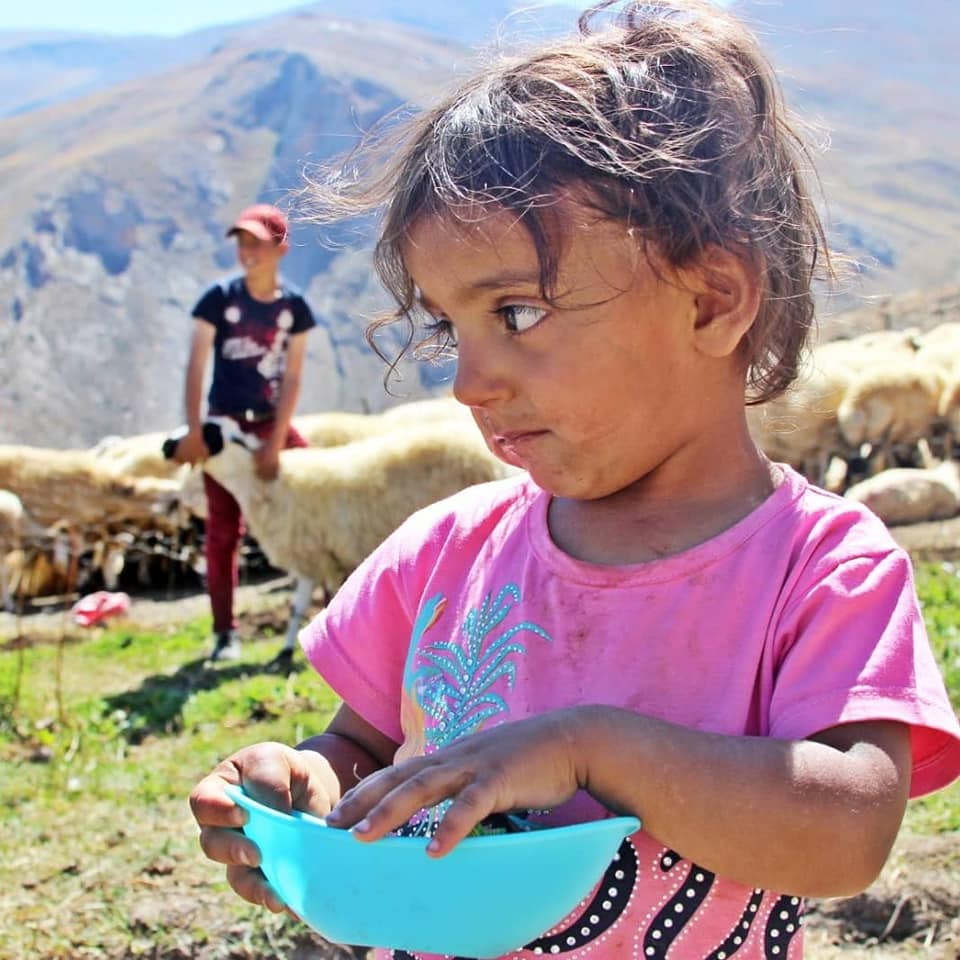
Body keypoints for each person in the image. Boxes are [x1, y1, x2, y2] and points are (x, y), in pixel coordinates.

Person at [189, 2, 960, 956]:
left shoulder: (822, 570)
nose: (468, 383)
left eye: (516, 314)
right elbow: (363, 749)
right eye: (450, 329)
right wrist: (308, 788)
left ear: (711, 301)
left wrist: (590, 749)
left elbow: (847, 834)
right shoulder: (446, 552)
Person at [175, 203, 315, 661]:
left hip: (273, 424)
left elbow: (292, 378)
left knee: (322, 503)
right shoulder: (219, 299)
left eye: (258, 243)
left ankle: (334, 615)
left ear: (281, 249)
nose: (248, 252)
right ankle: (224, 632)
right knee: (222, 530)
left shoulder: (295, 309)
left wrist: (276, 444)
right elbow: (197, 365)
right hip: (225, 426)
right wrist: (195, 431)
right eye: (242, 243)